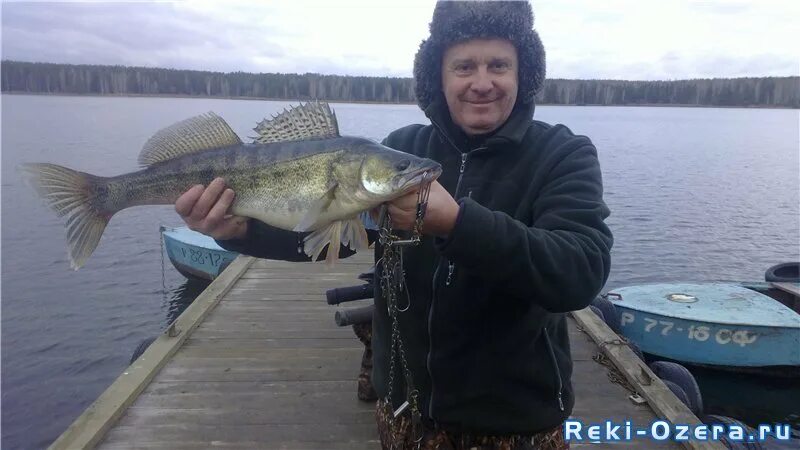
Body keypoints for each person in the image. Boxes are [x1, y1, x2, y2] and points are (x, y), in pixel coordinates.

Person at [174, 1, 612, 449]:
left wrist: (457, 225)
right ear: (438, 76)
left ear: (524, 73)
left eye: (499, 65)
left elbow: (580, 272)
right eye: (463, 66)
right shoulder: (402, 149)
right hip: (404, 412)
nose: (482, 82)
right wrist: (240, 232)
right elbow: (327, 235)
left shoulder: (563, 155)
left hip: (519, 424)